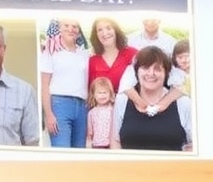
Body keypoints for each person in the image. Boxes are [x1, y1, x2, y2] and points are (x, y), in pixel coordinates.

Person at [110, 46, 192, 152]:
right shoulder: (123, 100)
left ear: (166, 74)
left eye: (157, 69)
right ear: (137, 72)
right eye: (145, 68)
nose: (151, 73)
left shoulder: (183, 103)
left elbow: (192, 145)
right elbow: (116, 141)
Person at [38, 18, 90, 148]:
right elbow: (44, 85)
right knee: (62, 150)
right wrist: (49, 114)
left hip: (81, 105)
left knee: (80, 152)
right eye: (66, 25)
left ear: (79, 31)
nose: (71, 29)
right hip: (59, 105)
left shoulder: (83, 53)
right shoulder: (51, 51)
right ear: (60, 28)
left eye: (75, 26)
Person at [87, 17, 138, 97]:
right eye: (100, 30)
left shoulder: (132, 53)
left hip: (128, 105)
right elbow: (90, 91)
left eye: (108, 28)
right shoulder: (92, 60)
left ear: (115, 30)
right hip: (102, 107)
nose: (105, 33)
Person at [86, 76, 117, 149]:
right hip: (96, 146)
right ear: (94, 95)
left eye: (105, 92)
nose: (102, 95)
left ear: (110, 94)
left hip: (110, 145)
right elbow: (90, 133)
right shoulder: (91, 113)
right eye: (99, 93)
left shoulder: (113, 110)